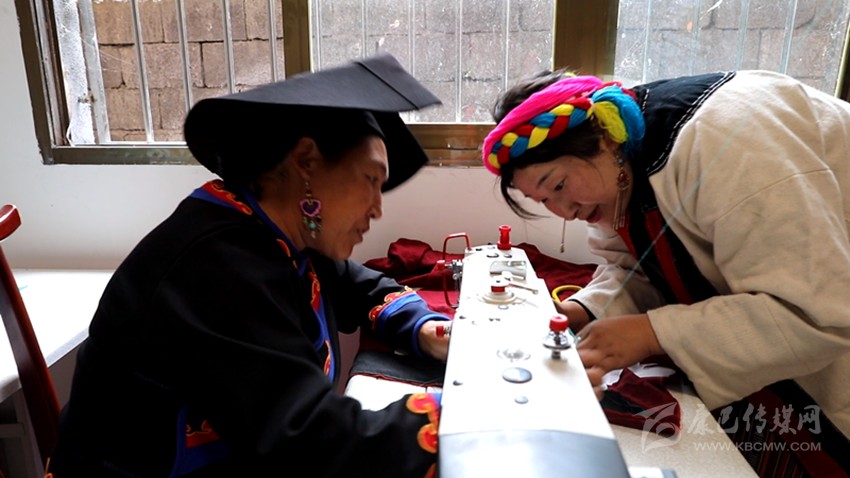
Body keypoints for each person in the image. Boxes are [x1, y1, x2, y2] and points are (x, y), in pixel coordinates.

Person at [47, 53, 451, 478]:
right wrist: (463, 413)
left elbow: (359, 285)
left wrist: (424, 328)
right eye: (371, 180)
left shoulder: (278, 238)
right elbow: (307, 439)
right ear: (307, 161)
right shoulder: (216, 265)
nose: (377, 208)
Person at [482, 69, 850, 476]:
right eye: (543, 201)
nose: (564, 212)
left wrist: (651, 333)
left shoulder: (726, 140)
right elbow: (640, 267)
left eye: (558, 186)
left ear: (603, 138)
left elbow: (816, 312)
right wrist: (581, 311)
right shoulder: (618, 170)